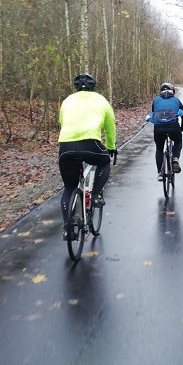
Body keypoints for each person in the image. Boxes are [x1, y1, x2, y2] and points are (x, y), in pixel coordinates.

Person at [58, 73, 117, 240]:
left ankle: (69, 229)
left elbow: (62, 122)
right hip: (91, 143)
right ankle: (96, 194)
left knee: (69, 187)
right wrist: (111, 147)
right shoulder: (101, 100)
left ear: (75, 87)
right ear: (94, 87)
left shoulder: (67, 100)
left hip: (66, 146)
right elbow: (110, 125)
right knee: (104, 161)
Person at [146, 82, 183, 181]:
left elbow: (154, 113)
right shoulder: (176, 101)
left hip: (159, 128)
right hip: (173, 127)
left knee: (159, 148)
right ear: (172, 91)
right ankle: (175, 158)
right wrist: (182, 128)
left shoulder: (156, 100)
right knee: (178, 142)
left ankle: (160, 173)